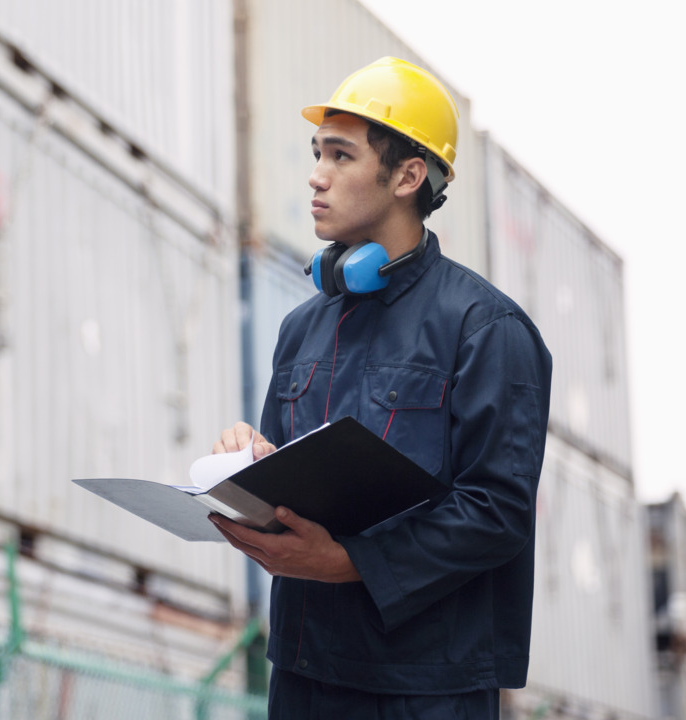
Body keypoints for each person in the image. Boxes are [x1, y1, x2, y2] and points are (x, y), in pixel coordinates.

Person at [211, 57, 552, 718]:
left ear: (407, 175)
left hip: (424, 689)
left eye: (340, 156)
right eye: (318, 152)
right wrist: (244, 461)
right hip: (303, 675)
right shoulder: (301, 328)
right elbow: (284, 482)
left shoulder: (485, 329)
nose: (316, 175)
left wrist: (350, 561)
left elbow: (497, 511)